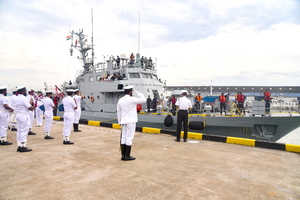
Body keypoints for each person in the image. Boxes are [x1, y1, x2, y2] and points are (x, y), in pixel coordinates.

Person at [117, 85, 146, 161]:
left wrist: (120, 122)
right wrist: (139, 93)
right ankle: (127, 156)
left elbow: (119, 112)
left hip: (123, 121)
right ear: (130, 91)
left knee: (123, 137)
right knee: (129, 138)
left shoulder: (120, 100)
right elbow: (143, 99)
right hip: (131, 121)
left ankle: (123, 155)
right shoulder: (132, 99)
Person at [15, 85, 35, 152]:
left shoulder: (16, 98)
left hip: (18, 114)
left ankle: (19, 145)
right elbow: (29, 108)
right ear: (23, 91)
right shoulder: (23, 98)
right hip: (23, 115)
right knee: (24, 131)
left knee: (19, 130)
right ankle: (23, 146)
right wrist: (34, 105)